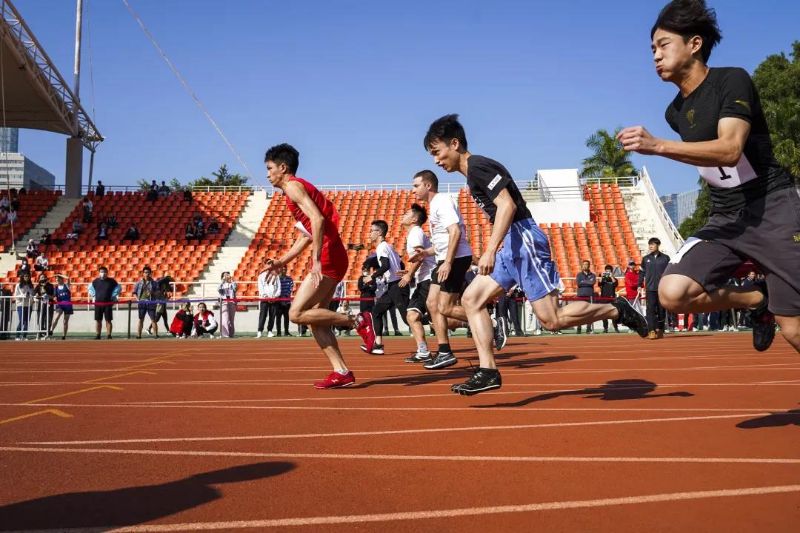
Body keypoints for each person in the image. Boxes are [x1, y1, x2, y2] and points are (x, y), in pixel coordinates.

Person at [618, 0, 799, 353]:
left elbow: (730, 148)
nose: (655, 55)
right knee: (672, 292)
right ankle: (754, 299)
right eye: (652, 48)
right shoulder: (675, 112)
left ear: (694, 44)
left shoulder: (732, 80)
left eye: (664, 45)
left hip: (771, 209)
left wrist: (657, 146)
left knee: (793, 329)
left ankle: (771, 307)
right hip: (724, 219)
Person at [424, 114, 647, 395]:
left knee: (551, 320)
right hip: (511, 244)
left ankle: (617, 309)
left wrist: (490, 250)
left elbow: (507, 206)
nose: (436, 160)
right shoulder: (472, 176)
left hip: (524, 238)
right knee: (471, 299)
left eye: (437, 152)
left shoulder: (478, 166)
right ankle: (487, 370)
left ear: (454, 144)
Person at [262, 143, 374, 389]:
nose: (267, 174)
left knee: (296, 314)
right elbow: (306, 235)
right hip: (332, 253)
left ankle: (358, 321)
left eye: (270, 168)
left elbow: (317, 219)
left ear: (283, 167)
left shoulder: (292, 186)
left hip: (329, 255)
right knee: (315, 320)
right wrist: (282, 261)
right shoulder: (295, 189)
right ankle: (341, 372)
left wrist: (315, 261)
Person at [408, 170, 474, 369]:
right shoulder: (435, 205)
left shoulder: (442, 201)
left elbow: (455, 232)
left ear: (428, 185)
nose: (413, 191)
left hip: (455, 259)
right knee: (432, 304)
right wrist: (425, 253)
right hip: (445, 258)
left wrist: (448, 262)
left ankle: (491, 323)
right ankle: (444, 351)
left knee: (443, 307)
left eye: (416, 185)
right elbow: (442, 242)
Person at [361, 219, 407, 355]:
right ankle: (378, 345)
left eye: (371, 231)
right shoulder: (389, 246)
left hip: (397, 286)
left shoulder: (381, 247)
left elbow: (386, 265)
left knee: (409, 318)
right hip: (393, 286)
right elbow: (400, 265)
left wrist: (372, 276)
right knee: (377, 312)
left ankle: (436, 321)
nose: (369, 233)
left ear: (379, 232)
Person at [399, 204, 436, 362]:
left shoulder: (415, 232)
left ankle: (489, 323)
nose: (403, 215)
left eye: (407, 213)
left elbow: (420, 256)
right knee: (414, 315)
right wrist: (409, 272)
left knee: (440, 316)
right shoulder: (414, 233)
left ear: (414, 219)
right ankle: (423, 351)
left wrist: (409, 275)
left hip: (428, 278)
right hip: (425, 278)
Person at [638, 238, 670, 339]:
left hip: (662, 288)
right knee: (650, 310)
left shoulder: (665, 258)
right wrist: (639, 284)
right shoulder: (645, 258)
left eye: (652, 244)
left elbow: (670, 272)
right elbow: (642, 272)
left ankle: (660, 329)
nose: (650, 246)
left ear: (658, 245)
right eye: (649, 245)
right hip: (650, 288)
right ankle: (651, 330)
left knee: (661, 311)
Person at [88, 266, 120, 340]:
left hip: (108, 303)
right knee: (98, 320)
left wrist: (113, 296)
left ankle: (109, 335)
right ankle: (98, 335)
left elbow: (118, 288)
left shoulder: (112, 281)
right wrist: (93, 295)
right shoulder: (95, 281)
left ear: (107, 272)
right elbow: (90, 288)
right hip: (98, 303)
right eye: (101, 272)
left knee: (108, 320)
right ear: (99, 273)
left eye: (105, 272)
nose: (103, 273)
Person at [133, 266, 159, 339]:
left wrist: (153, 292)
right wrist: (137, 299)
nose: (146, 274)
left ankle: (155, 334)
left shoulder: (154, 283)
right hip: (142, 302)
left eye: (148, 272)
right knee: (141, 319)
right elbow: (134, 292)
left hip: (151, 302)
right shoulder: (139, 283)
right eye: (145, 272)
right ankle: (139, 335)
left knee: (153, 319)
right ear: (143, 273)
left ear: (150, 273)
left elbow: (158, 292)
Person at [256, 266, 281, 338]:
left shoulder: (276, 276)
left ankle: (270, 331)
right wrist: (266, 296)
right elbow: (260, 288)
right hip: (264, 299)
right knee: (263, 315)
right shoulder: (261, 276)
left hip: (274, 299)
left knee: (272, 316)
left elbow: (279, 288)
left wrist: (275, 296)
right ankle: (259, 331)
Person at [49, 274, 73, 340]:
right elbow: (54, 296)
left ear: (61, 279)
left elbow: (68, 278)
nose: (57, 280)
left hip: (67, 305)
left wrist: (59, 275)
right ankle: (51, 330)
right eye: (56, 279)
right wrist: (54, 298)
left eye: (58, 279)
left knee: (65, 321)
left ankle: (64, 335)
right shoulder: (56, 288)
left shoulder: (66, 286)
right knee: (56, 317)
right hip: (60, 305)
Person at [575, 260, 597, 334]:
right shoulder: (579, 275)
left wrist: (583, 282)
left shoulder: (593, 275)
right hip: (581, 295)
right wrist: (588, 282)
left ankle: (588, 329)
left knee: (589, 313)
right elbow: (578, 283)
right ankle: (579, 329)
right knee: (580, 313)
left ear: (589, 265)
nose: (585, 266)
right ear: (582, 265)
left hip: (590, 296)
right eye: (584, 264)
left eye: (587, 264)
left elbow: (592, 282)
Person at [599, 264, 620, 333]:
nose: (608, 273)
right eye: (606, 271)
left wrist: (611, 276)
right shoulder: (603, 278)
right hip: (603, 298)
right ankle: (605, 328)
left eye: (609, 271)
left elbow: (615, 284)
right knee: (604, 315)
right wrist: (602, 276)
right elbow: (599, 284)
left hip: (612, 298)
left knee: (614, 314)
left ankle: (616, 328)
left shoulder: (614, 279)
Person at [33, 273, 55, 340]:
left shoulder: (50, 286)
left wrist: (48, 295)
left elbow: (53, 295)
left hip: (49, 305)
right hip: (41, 305)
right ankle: (40, 333)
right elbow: (35, 293)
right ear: (39, 278)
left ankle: (47, 333)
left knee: (49, 319)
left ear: (46, 278)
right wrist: (37, 295)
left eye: (43, 277)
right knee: (40, 319)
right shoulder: (38, 286)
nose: (42, 278)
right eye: (41, 277)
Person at [13, 272, 34, 341]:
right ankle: (17, 335)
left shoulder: (31, 285)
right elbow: (15, 295)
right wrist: (23, 296)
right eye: (25, 276)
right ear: (22, 277)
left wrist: (31, 297)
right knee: (22, 320)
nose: (27, 277)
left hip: (29, 305)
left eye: (28, 276)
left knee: (27, 321)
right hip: (20, 305)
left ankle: (25, 336)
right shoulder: (18, 285)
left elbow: (32, 294)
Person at [218, 272, 237, 337]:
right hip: (224, 302)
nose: (226, 276)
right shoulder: (221, 284)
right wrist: (222, 281)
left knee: (231, 319)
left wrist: (232, 281)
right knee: (225, 318)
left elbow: (235, 289)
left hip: (232, 302)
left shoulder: (232, 283)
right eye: (225, 275)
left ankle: (231, 334)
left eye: (227, 274)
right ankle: (225, 334)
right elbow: (219, 290)